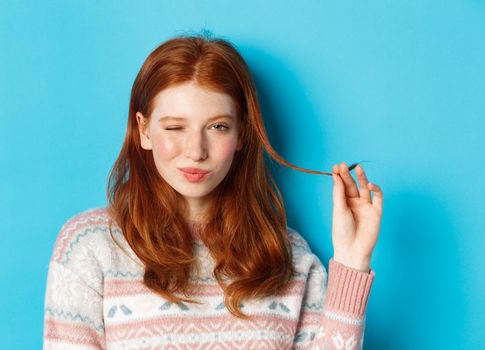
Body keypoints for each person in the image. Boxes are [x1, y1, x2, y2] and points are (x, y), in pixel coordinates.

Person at [43, 33, 383, 350]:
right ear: (144, 131)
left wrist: (353, 262)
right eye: (175, 127)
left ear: (242, 135)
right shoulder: (89, 246)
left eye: (218, 127)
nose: (196, 150)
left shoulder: (288, 256)